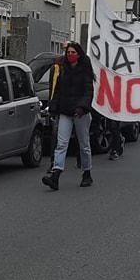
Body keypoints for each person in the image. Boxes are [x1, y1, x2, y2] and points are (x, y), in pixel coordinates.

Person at [42, 41, 95, 191]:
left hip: (80, 113)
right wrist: (54, 107)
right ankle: (56, 174)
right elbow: (58, 91)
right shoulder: (63, 70)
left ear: (79, 54)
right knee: (61, 144)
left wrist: (81, 108)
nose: (70, 55)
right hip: (65, 111)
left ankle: (87, 172)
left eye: (73, 52)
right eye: (68, 52)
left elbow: (88, 92)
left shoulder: (85, 71)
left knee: (84, 145)